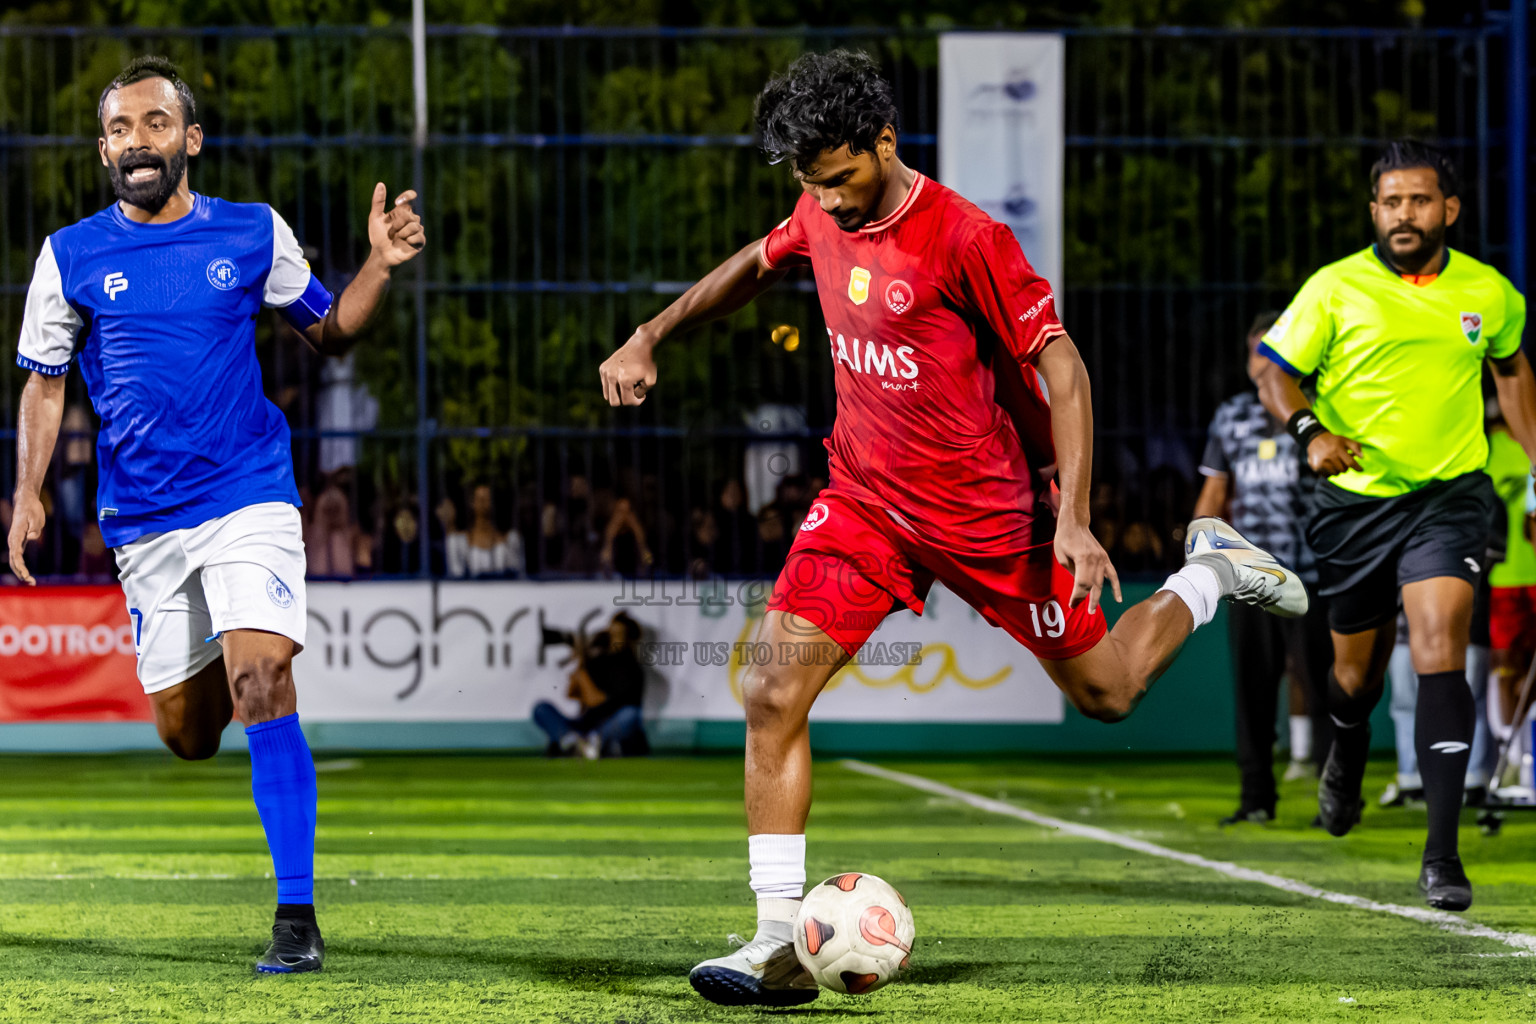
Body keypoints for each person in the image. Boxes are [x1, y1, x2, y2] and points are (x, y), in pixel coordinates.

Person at [598, 50, 1306, 1007]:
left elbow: (1065, 371)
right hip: (865, 504)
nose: (831, 203)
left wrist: (1073, 517)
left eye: (842, 180)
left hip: (992, 517)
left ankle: (1210, 574)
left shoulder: (967, 237)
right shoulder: (819, 205)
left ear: (885, 143)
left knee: (1109, 692)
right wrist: (651, 333)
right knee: (770, 686)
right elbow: (753, 268)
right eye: (814, 186)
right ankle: (774, 940)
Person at [6, 57, 424, 972]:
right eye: (119, 130)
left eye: (155, 124)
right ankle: (222, 696)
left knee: (264, 680)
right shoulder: (70, 253)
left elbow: (330, 328)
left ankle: (296, 921)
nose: (135, 143)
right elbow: (43, 383)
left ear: (190, 139)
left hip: (248, 492)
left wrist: (378, 268)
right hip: (146, 523)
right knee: (189, 736)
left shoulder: (251, 230)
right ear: (104, 148)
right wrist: (28, 490)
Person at [1255, 139, 1536, 911]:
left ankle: (1442, 858)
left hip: (1449, 498)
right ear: (1374, 210)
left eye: (1419, 200)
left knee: (1441, 645)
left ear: (1449, 209)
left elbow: (1511, 369)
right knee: (1355, 678)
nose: (1403, 213)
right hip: (1353, 506)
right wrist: (1311, 431)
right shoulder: (1334, 288)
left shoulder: (1490, 292)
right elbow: (1271, 369)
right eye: (1390, 201)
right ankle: (1347, 744)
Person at [1195, 311, 1334, 825]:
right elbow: (1214, 494)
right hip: (1249, 580)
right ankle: (1256, 798)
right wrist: (1201, 561)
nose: (1265, 362)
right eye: (1260, 351)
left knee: (1324, 690)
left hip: (1313, 576)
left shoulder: (1320, 412)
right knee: (1252, 694)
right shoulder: (1231, 416)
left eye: (1277, 350)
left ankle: (1333, 799)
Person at [531, 613, 648, 758]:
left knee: (631, 715)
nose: (614, 638)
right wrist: (581, 659)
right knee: (542, 709)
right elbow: (572, 694)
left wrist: (583, 672)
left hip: (607, 728)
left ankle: (589, 744)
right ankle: (572, 741)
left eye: (619, 634)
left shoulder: (632, 670)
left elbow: (596, 701)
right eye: (612, 633)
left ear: (630, 638)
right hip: (586, 725)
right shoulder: (598, 661)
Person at [447, 482, 525, 578]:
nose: (484, 504)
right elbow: (456, 575)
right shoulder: (458, 541)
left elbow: (518, 574)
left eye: (488, 500)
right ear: (473, 503)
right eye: (480, 500)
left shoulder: (510, 539)